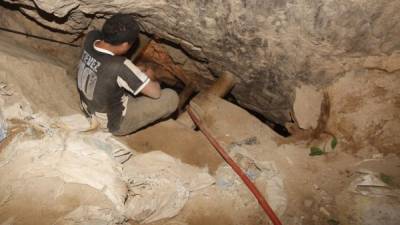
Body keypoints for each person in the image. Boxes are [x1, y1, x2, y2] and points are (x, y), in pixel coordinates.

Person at [77, 14, 179, 135]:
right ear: (125, 45)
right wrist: (151, 76)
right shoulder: (120, 65)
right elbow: (156, 93)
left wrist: (134, 70)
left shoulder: (91, 37)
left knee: (129, 75)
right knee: (171, 97)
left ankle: (137, 81)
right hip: (111, 123)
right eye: (131, 44)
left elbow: (105, 67)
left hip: (89, 106)